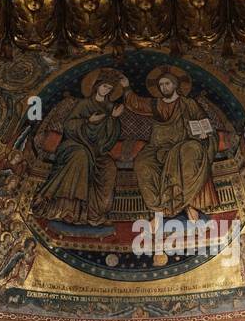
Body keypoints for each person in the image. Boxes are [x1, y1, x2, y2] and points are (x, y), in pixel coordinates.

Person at [122, 67, 218, 221]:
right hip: (157, 146)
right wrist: (126, 87)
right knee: (142, 163)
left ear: (175, 85)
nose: (164, 87)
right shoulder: (155, 104)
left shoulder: (188, 103)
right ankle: (158, 211)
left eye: (167, 83)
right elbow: (136, 103)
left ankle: (187, 204)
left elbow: (203, 121)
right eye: (161, 85)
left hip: (183, 143)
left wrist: (204, 134)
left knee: (191, 150)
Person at [35, 71, 124, 225]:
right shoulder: (83, 104)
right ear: (97, 86)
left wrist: (113, 119)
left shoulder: (110, 108)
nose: (106, 90)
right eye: (104, 86)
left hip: (96, 150)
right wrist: (88, 121)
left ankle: (93, 214)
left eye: (109, 89)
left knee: (109, 167)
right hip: (74, 144)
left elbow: (109, 138)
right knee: (80, 156)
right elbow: (69, 126)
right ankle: (62, 209)